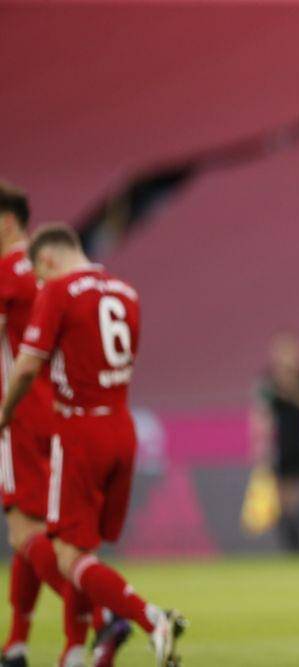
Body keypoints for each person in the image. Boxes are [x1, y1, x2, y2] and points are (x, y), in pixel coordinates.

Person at [0, 224, 186, 667]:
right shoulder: (126, 292)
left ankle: (148, 617)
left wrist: (4, 414)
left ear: (48, 260)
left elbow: (26, 368)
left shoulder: (59, 291)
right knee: (85, 553)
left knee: (66, 554)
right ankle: (76, 654)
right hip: (122, 424)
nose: (41, 284)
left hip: (80, 431)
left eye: (41, 275)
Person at [0, 184, 129, 667]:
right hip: (60, 411)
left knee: (25, 534)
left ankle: (101, 617)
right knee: (47, 535)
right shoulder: (51, 274)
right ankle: (20, 645)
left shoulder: (8, 273)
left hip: (19, 414)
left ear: (7, 220)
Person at [250, 332, 299, 553]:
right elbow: (261, 413)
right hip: (282, 445)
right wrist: (260, 447)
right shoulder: (269, 382)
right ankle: (292, 544)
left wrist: (290, 387)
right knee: (286, 498)